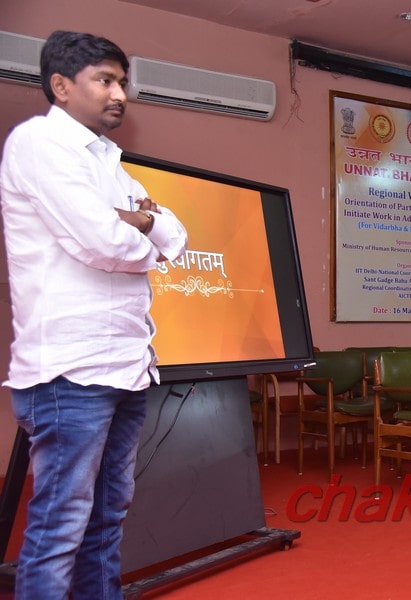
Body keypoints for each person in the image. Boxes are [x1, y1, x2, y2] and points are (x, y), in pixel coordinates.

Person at [0, 31, 188, 598]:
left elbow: (177, 236)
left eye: (123, 82)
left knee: (106, 522)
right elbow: (101, 242)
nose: (120, 94)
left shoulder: (109, 163)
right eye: (105, 80)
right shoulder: (39, 144)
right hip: (70, 372)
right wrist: (141, 230)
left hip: (126, 366)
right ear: (61, 86)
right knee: (59, 528)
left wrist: (142, 222)